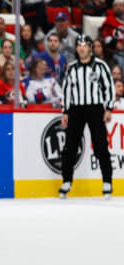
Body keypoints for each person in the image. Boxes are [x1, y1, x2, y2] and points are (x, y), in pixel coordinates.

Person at [59, 34, 115, 199]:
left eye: (85, 45)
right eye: (79, 45)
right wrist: (66, 111)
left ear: (90, 47)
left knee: (100, 145)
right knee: (70, 146)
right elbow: (67, 91)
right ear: (76, 48)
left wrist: (109, 108)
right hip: (76, 109)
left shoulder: (100, 66)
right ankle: (67, 180)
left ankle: (107, 181)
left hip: (95, 109)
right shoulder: (72, 68)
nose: (82, 48)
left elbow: (109, 86)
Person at [101, 0, 124, 69]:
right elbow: (104, 36)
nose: (118, 8)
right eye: (116, 6)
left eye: (120, 5)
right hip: (116, 52)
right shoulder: (109, 20)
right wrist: (115, 42)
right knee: (122, 61)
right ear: (113, 8)